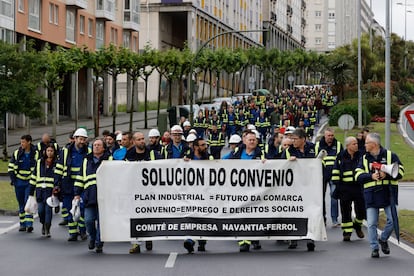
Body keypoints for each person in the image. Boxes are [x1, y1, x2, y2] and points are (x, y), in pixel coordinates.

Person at [355, 133, 404, 258]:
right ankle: (374, 248)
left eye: (366, 143)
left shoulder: (390, 155)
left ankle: (383, 239)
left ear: (374, 144)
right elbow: (357, 176)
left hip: (388, 193)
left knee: (393, 220)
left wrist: (385, 174)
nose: (364, 145)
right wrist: (370, 176)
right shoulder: (364, 158)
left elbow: (401, 172)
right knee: (371, 223)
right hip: (370, 195)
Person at [228, 131, 264, 252]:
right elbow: (222, 162)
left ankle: (252, 238)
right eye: (250, 140)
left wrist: (267, 163)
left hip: (255, 190)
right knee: (240, 214)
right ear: (244, 141)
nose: (252, 141)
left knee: (253, 214)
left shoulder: (262, 154)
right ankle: (243, 241)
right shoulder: (237, 153)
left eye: (254, 140)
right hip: (239, 189)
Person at [126, 132, 162, 253]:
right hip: (134, 191)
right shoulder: (129, 155)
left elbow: (164, 166)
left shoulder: (152, 153)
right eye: (139, 139)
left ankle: (148, 237)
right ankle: (136, 244)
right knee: (135, 217)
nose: (142, 141)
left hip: (150, 192)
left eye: (143, 139)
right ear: (134, 142)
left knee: (148, 216)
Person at [281, 128, 317, 251]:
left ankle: (310, 238)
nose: (293, 141)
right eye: (292, 139)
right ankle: (293, 238)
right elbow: (280, 166)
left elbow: (319, 163)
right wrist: (288, 162)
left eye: (295, 139)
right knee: (294, 212)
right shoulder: (288, 151)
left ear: (303, 139)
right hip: (294, 187)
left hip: (310, 185)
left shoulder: (313, 148)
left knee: (310, 212)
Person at [74, 139, 112, 253]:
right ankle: (92, 237)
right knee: (88, 220)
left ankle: (99, 243)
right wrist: (76, 193)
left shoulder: (109, 160)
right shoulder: (86, 160)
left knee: (102, 222)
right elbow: (80, 177)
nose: (96, 147)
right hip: (89, 196)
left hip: (104, 196)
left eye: (99, 145)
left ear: (103, 148)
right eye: (94, 145)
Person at [54, 128, 91, 241]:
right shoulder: (65, 151)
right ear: (74, 139)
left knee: (83, 209)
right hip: (68, 185)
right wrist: (57, 184)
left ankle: (83, 231)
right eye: (80, 139)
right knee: (70, 209)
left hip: (83, 186)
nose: (82, 142)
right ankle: (72, 233)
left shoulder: (88, 151)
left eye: (84, 139)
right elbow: (59, 169)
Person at [331, 136, 365, 242]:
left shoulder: (361, 155)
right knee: (345, 210)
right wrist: (337, 185)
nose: (356, 145)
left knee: (361, 210)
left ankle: (358, 225)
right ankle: (347, 232)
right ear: (348, 146)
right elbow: (336, 170)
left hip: (358, 187)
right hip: (344, 188)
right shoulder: (341, 156)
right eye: (354, 144)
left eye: (356, 143)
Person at [183, 138, 214, 253]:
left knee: (203, 217)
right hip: (191, 193)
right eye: (202, 145)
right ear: (195, 147)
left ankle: (201, 241)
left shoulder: (209, 158)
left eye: (205, 145)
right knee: (193, 216)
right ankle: (191, 240)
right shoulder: (187, 158)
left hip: (206, 192)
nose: (205, 147)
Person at [8, 135, 39, 232]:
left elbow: (38, 167)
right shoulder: (17, 153)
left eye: (23, 142)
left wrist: (35, 181)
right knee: (21, 203)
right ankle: (22, 224)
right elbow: (10, 168)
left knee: (27, 201)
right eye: (21, 142)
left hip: (30, 182)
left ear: (29, 142)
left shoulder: (35, 153)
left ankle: (29, 224)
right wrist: (14, 180)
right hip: (19, 182)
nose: (22, 144)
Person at [29, 143, 58, 237]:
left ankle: (47, 228)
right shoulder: (39, 162)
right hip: (40, 191)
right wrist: (31, 190)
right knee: (41, 211)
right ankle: (43, 224)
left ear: (54, 152)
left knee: (48, 211)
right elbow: (34, 176)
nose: (49, 153)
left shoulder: (57, 163)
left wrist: (57, 189)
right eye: (48, 151)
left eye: (51, 151)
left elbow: (58, 177)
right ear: (45, 152)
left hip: (50, 192)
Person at [315, 128, 343, 227]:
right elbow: (315, 160)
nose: (330, 137)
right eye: (328, 136)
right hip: (321, 175)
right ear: (325, 136)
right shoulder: (318, 145)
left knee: (334, 196)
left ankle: (335, 219)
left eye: (332, 135)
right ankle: (323, 218)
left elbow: (341, 159)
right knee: (320, 198)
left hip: (334, 175)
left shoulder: (338, 145)